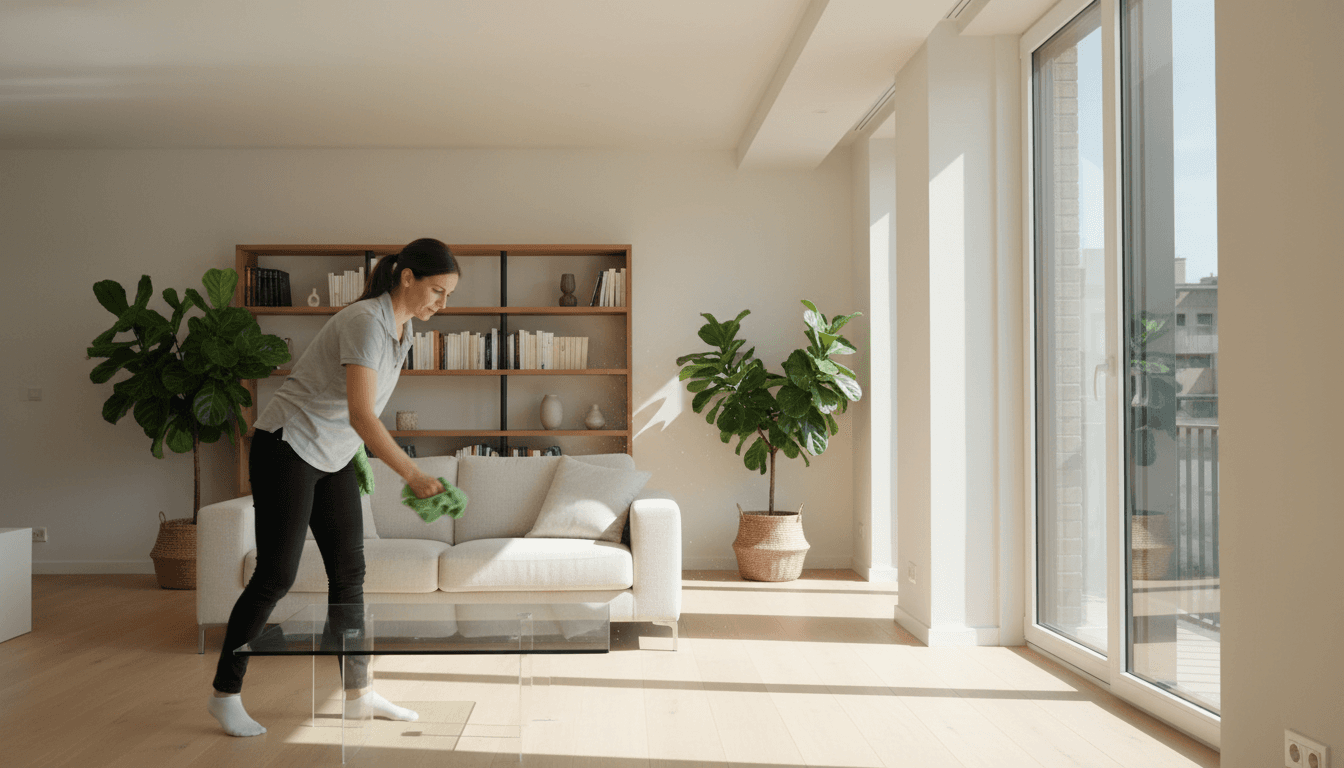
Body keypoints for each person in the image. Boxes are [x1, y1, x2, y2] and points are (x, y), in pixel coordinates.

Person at [208, 238, 460, 737]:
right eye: (437, 290)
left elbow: (363, 411)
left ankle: (359, 693)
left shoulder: (402, 330)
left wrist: (358, 455)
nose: (442, 304)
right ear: (406, 277)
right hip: (288, 446)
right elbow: (362, 412)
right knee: (275, 576)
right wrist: (411, 473)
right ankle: (225, 694)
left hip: (334, 453)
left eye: (447, 294)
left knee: (349, 574)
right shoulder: (367, 321)